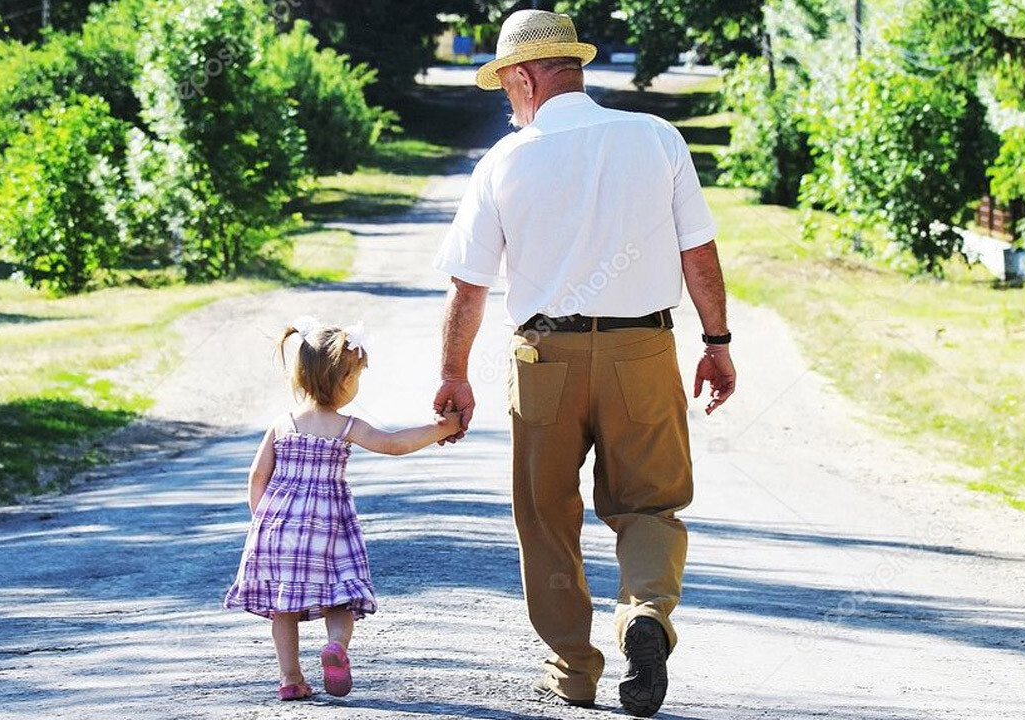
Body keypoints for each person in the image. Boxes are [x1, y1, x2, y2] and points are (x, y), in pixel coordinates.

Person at [431, 9, 737, 718]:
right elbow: (699, 252)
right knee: (651, 504)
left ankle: (573, 669)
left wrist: (454, 373)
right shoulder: (656, 138)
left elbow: (468, 287)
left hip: (544, 358)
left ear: (525, 77)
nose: (509, 101)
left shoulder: (504, 161)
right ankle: (645, 617)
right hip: (644, 347)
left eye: (507, 87)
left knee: (546, 514)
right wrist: (716, 344)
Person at [224, 317, 460, 701]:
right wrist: (441, 429)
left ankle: (290, 678)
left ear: (300, 377)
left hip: (277, 529)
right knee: (339, 594)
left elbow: (257, 475)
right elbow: (393, 444)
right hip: (327, 528)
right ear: (346, 382)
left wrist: (261, 524)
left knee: (283, 607)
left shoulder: (281, 425)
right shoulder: (346, 425)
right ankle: (336, 645)